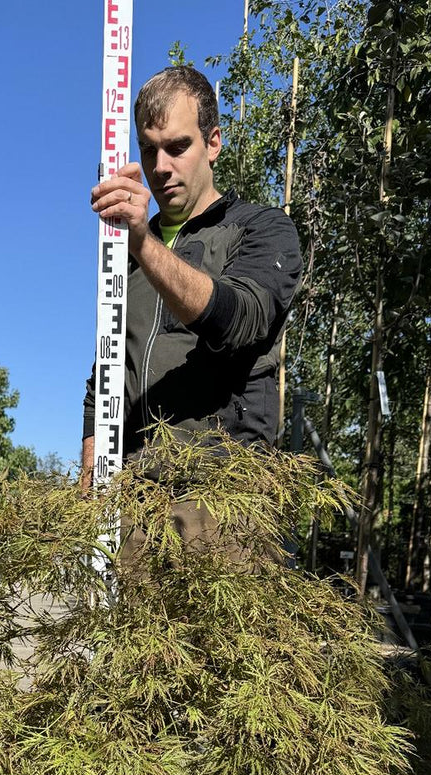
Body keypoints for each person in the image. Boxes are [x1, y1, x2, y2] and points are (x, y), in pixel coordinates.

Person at [82, 66, 302, 487]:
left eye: (177, 146)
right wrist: (89, 486)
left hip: (223, 497)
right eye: (148, 150)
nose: (160, 167)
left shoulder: (263, 229)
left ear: (213, 143)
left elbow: (239, 321)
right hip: (133, 502)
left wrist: (144, 243)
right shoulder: (126, 259)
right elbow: (105, 378)